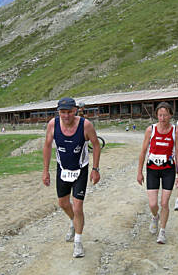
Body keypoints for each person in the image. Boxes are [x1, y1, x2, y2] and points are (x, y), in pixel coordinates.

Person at [42, 97, 101, 258]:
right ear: (58, 112)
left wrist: (95, 169)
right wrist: (45, 171)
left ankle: (78, 242)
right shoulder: (53, 125)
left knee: (77, 207)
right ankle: (74, 222)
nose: (66, 115)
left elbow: (96, 144)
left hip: (80, 169)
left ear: (75, 110)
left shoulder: (85, 125)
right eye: (62, 112)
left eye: (69, 112)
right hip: (62, 169)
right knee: (62, 203)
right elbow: (47, 146)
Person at [137, 102, 178, 244]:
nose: (162, 118)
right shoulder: (150, 130)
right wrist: (139, 172)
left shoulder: (175, 131)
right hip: (152, 170)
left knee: (164, 202)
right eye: (160, 115)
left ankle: (162, 231)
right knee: (152, 204)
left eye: (165, 115)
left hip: (168, 169)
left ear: (170, 115)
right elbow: (143, 151)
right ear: (157, 115)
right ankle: (155, 217)